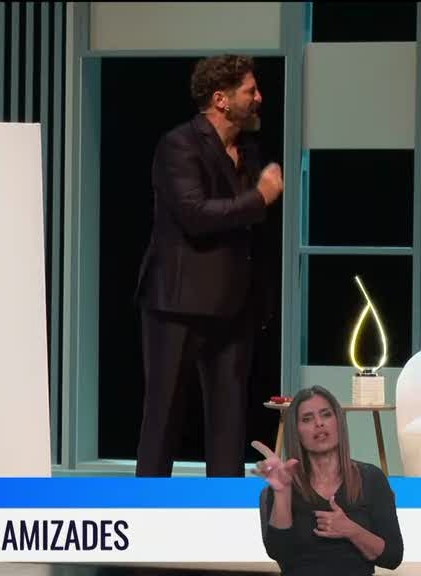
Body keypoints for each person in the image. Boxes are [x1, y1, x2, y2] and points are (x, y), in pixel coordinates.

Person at [133, 54, 284, 477]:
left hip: (233, 306)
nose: (259, 97)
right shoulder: (179, 145)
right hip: (178, 304)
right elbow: (195, 215)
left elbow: (249, 233)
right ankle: (147, 507)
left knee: (229, 423)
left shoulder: (248, 150)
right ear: (221, 99)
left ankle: (225, 509)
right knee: (163, 418)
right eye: (250, 91)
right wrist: (260, 197)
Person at [253, 386, 403, 575]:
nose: (319, 423)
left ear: (338, 422)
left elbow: (392, 557)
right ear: (296, 431)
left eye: (326, 415)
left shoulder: (371, 478)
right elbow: (278, 552)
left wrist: (352, 530)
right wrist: (282, 492)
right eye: (307, 419)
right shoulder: (285, 482)